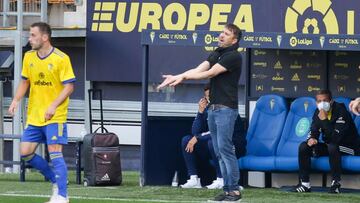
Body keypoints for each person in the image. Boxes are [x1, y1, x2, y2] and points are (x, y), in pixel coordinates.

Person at [158, 23, 243, 201]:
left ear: (234, 40)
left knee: (226, 150)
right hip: (213, 109)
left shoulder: (234, 56)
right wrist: (177, 76)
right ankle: (227, 190)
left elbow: (209, 73)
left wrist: (183, 77)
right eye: (222, 32)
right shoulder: (217, 53)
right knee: (219, 152)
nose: (221, 36)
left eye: (226, 34)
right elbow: (199, 69)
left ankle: (234, 191)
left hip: (226, 109)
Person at [8, 22, 76, 203]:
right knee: (25, 152)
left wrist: (53, 106)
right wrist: (16, 100)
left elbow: (69, 87)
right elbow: (25, 82)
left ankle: (63, 196)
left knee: (55, 152)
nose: (29, 39)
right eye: (30, 35)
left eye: (33, 35)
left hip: (55, 115)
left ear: (44, 37)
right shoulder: (29, 57)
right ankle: (56, 180)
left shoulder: (61, 58)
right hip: (35, 115)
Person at [292, 90, 359, 194]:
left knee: (332, 146)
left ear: (331, 101)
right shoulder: (317, 112)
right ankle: (305, 184)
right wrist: (312, 139)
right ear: (316, 103)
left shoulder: (341, 111)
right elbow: (314, 129)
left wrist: (324, 120)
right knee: (304, 146)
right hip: (331, 146)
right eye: (319, 101)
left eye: (325, 100)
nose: (322, 103)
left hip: (349, 147)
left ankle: (335, 184)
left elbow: (336, 138)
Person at [180, 84, 246, 189]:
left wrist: (198, 137)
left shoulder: (227, 109)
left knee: (213, 142)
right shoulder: (208, 110)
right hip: (215, 143)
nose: (210, 99)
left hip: (234, 145)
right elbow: (195, 131)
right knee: (186, 140)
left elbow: (219, 132)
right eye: (207, 97)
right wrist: (200, 113)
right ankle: (194, 179)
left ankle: (221, 179)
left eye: (212, 96)